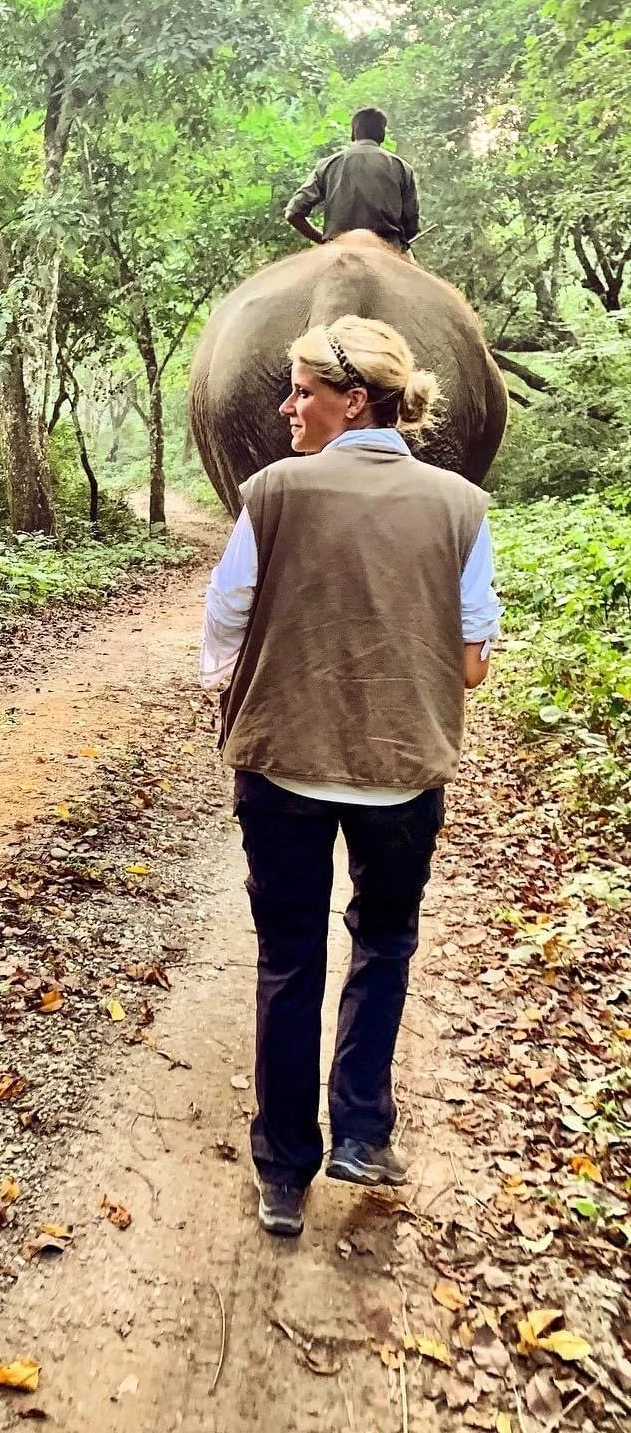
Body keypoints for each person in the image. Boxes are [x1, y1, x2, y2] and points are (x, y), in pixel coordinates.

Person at [200, 316, 500, 1239]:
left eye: (301, 390)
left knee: (288, 958)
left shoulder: (274, 493)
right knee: (384, 942)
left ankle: (284, 1172)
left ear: (353, 399)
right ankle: (363, 1133)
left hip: (283, 767)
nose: (288, 406)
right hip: (403, 775)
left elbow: (224, 624)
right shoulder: (459, 505)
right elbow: (472, 663)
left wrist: (250, 686)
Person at [285, 109, 420, 250]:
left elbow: (293, 213)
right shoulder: (402, 167)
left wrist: (325, 242)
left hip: (338, 249)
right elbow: (411, 226)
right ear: (382, 135)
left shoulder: (327, 164)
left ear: (353, 133)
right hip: (387, 248)